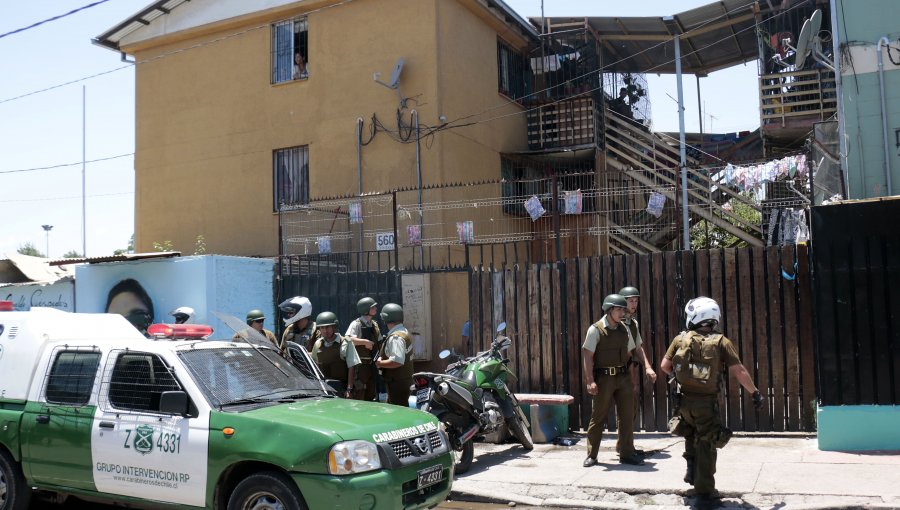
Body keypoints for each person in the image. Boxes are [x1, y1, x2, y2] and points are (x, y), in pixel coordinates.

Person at [660, 297, 764, 508]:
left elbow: (664, 366)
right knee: (707, 444)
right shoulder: (721, 342)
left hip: (684, 402)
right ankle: (704, 495)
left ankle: (691, 469)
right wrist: (755, 393)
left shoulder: (680, 339)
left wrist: (684, 378)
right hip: (706, 404)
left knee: (690, 434)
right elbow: (739, 371)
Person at [581, 293, 645, 467]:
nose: (622, 313)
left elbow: (632, 352)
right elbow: (587, 355)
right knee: (598, 416)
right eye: (618, 309)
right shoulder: (596, 329)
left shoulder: (625, 329)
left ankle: (627, 452)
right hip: (604, 379)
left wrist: (632, 380)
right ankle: (592, 454)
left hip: (623, 377)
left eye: (623, 309)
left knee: (626, 416)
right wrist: (590, 380)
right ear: (609, 310)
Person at [618, 286, 657, 442]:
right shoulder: (611, 322)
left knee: (630, 409)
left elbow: (638, 347)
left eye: (636, 301)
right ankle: (592, 453)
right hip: (607, 371)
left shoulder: (632, 323)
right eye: (630, 301)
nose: (634, 304)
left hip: (626, 370)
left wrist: (647, 366)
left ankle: (624, 446)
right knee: (599, 413)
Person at [310, 311, 360, 398]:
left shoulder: (346, 342)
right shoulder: (318, 344)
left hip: (341, 389)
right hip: (324, 389)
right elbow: (314, 366)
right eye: (322, 328)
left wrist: (349, 389)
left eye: (328, 327)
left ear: (334, 327)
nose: (325, 330)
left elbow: (352, 366)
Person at [344, 297, 382, 401]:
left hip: (373, 365)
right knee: (359, 393)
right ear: (366, 309)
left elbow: (379, 343)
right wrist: (364, 342)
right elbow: (348, 339)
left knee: (371, 393)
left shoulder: (374, 324)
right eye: (373, 307)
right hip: (360, 366)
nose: (375, 309)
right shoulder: (356, 324)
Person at [375, 303, 413, 406]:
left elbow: (397, 361)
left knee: (399, 413)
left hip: (397, 384)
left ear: (386, 319)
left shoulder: (395, 338)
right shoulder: (404, 332)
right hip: (404, 381)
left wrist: (380, 363)